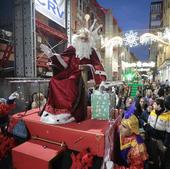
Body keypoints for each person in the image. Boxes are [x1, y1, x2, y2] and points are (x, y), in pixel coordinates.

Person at [40, 18, 106, 124]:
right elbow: (64, 59)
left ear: (89, 40)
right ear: (78, 38)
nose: (83, 40)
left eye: (85, 39)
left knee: (70, 81)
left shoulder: (91, 51)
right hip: (69, 71)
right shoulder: (72, 48)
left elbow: (97, 65)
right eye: (81, 38)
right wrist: (52, 55)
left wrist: (99, 79)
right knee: (54, 80)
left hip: (81, 74)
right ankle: (54, 110)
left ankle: (68, 111)